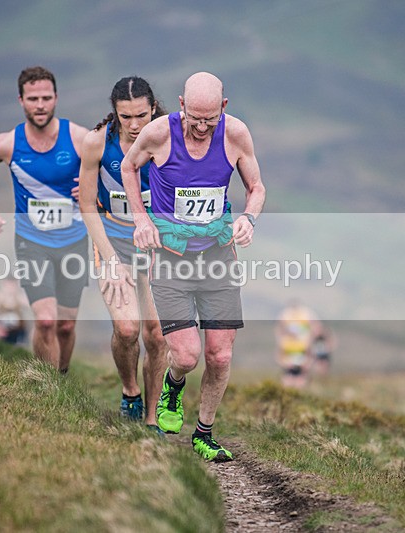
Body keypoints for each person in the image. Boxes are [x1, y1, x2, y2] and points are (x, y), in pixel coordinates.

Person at [121, 72, 266, 462]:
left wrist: (248, 219)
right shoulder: (157, 134)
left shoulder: (236, 134)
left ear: (224, 107)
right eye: (194, 118)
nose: (202, 127)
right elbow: (129, 167)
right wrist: (141, 220)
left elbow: (257, 187)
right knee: (186, 356)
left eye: (210, 119)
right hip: (171, 257)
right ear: (182, 105)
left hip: (217, 255)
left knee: (219, 355)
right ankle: (173, 384)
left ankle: (204, 432)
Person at [0, 66, 90, 372]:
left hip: (74, 241)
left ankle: (60, 378)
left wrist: (93, 190)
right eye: (33, 98)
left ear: (56, 99)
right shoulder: (9, 143)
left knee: (64, 325)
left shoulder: (78, 137)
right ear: (20, 101)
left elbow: (112, 166)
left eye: (46, 98)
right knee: (46, 320)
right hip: (31, 242)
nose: (40, 105)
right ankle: (46, 387)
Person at [79, 76, 168, 430]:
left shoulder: (170, 140)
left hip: (159, 247)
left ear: (153, 109)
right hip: (113, 242)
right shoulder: (97, 143)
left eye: (140, 116)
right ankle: (130, 391)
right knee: (129, 329)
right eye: (124, 117)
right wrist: (111, 261)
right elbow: (87, 205)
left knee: (158, 335)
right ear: (114, 113)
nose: (133, 125)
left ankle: (151, 420)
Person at [275, 300, 323, 389]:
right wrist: (286, 363)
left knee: (300, 383)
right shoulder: (285, 341)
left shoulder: (306, 342)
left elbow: (310, 357)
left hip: (302, 366)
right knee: (287, 383)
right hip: (289, 366)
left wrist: (305, 365)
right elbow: (279, 356)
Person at [0, 277, 29, 345]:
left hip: (16, 334)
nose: (11, 288)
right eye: (9, 284)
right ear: (4, 284)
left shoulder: (20, 297)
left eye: (13, 285)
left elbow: (34, 307)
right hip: (0, 333)